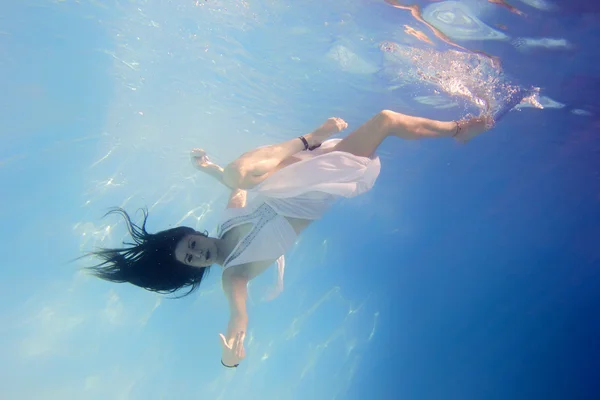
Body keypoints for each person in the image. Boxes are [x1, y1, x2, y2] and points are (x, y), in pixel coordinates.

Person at [87, 110, 492, 368]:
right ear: (195, 270)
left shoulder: (226, 221)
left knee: (238, 177)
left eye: (190, 243)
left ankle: (455, 130)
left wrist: (207, 167)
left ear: (192, 234)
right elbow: (239, 315)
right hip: (320, 185)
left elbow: (234, 185)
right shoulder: (234, 275)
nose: (198, 250)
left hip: (299, 168)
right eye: (193, 258)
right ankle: (314, 135)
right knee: (381, 122)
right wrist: (233, 354)